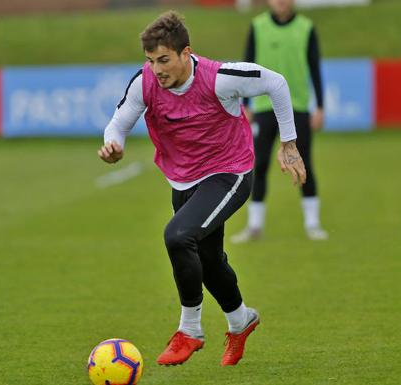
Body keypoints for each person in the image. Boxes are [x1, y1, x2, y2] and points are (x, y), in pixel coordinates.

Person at [98, 11, 306, 367]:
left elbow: (277, 83)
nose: (157, 69)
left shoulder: (219, 79)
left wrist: (289, 142)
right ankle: (241, 320)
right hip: (183, 180)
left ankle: (190, 330)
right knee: (208, 260)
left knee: (178, 236)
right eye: (151, 61)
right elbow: (118, 122)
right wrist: (113, 145)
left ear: (185, 53)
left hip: (230, 173)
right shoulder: (144, 82)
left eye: (164, 59)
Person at [231, 0, 328, 243]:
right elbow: (246, 65)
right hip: (263, 107)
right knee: (259, 164)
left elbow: (315, 68)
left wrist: (320, 106)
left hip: (297, 107)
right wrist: (246, 105)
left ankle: (312, 223)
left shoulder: (306, 27)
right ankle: (254, 226)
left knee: (304, 162)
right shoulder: (258, 25)